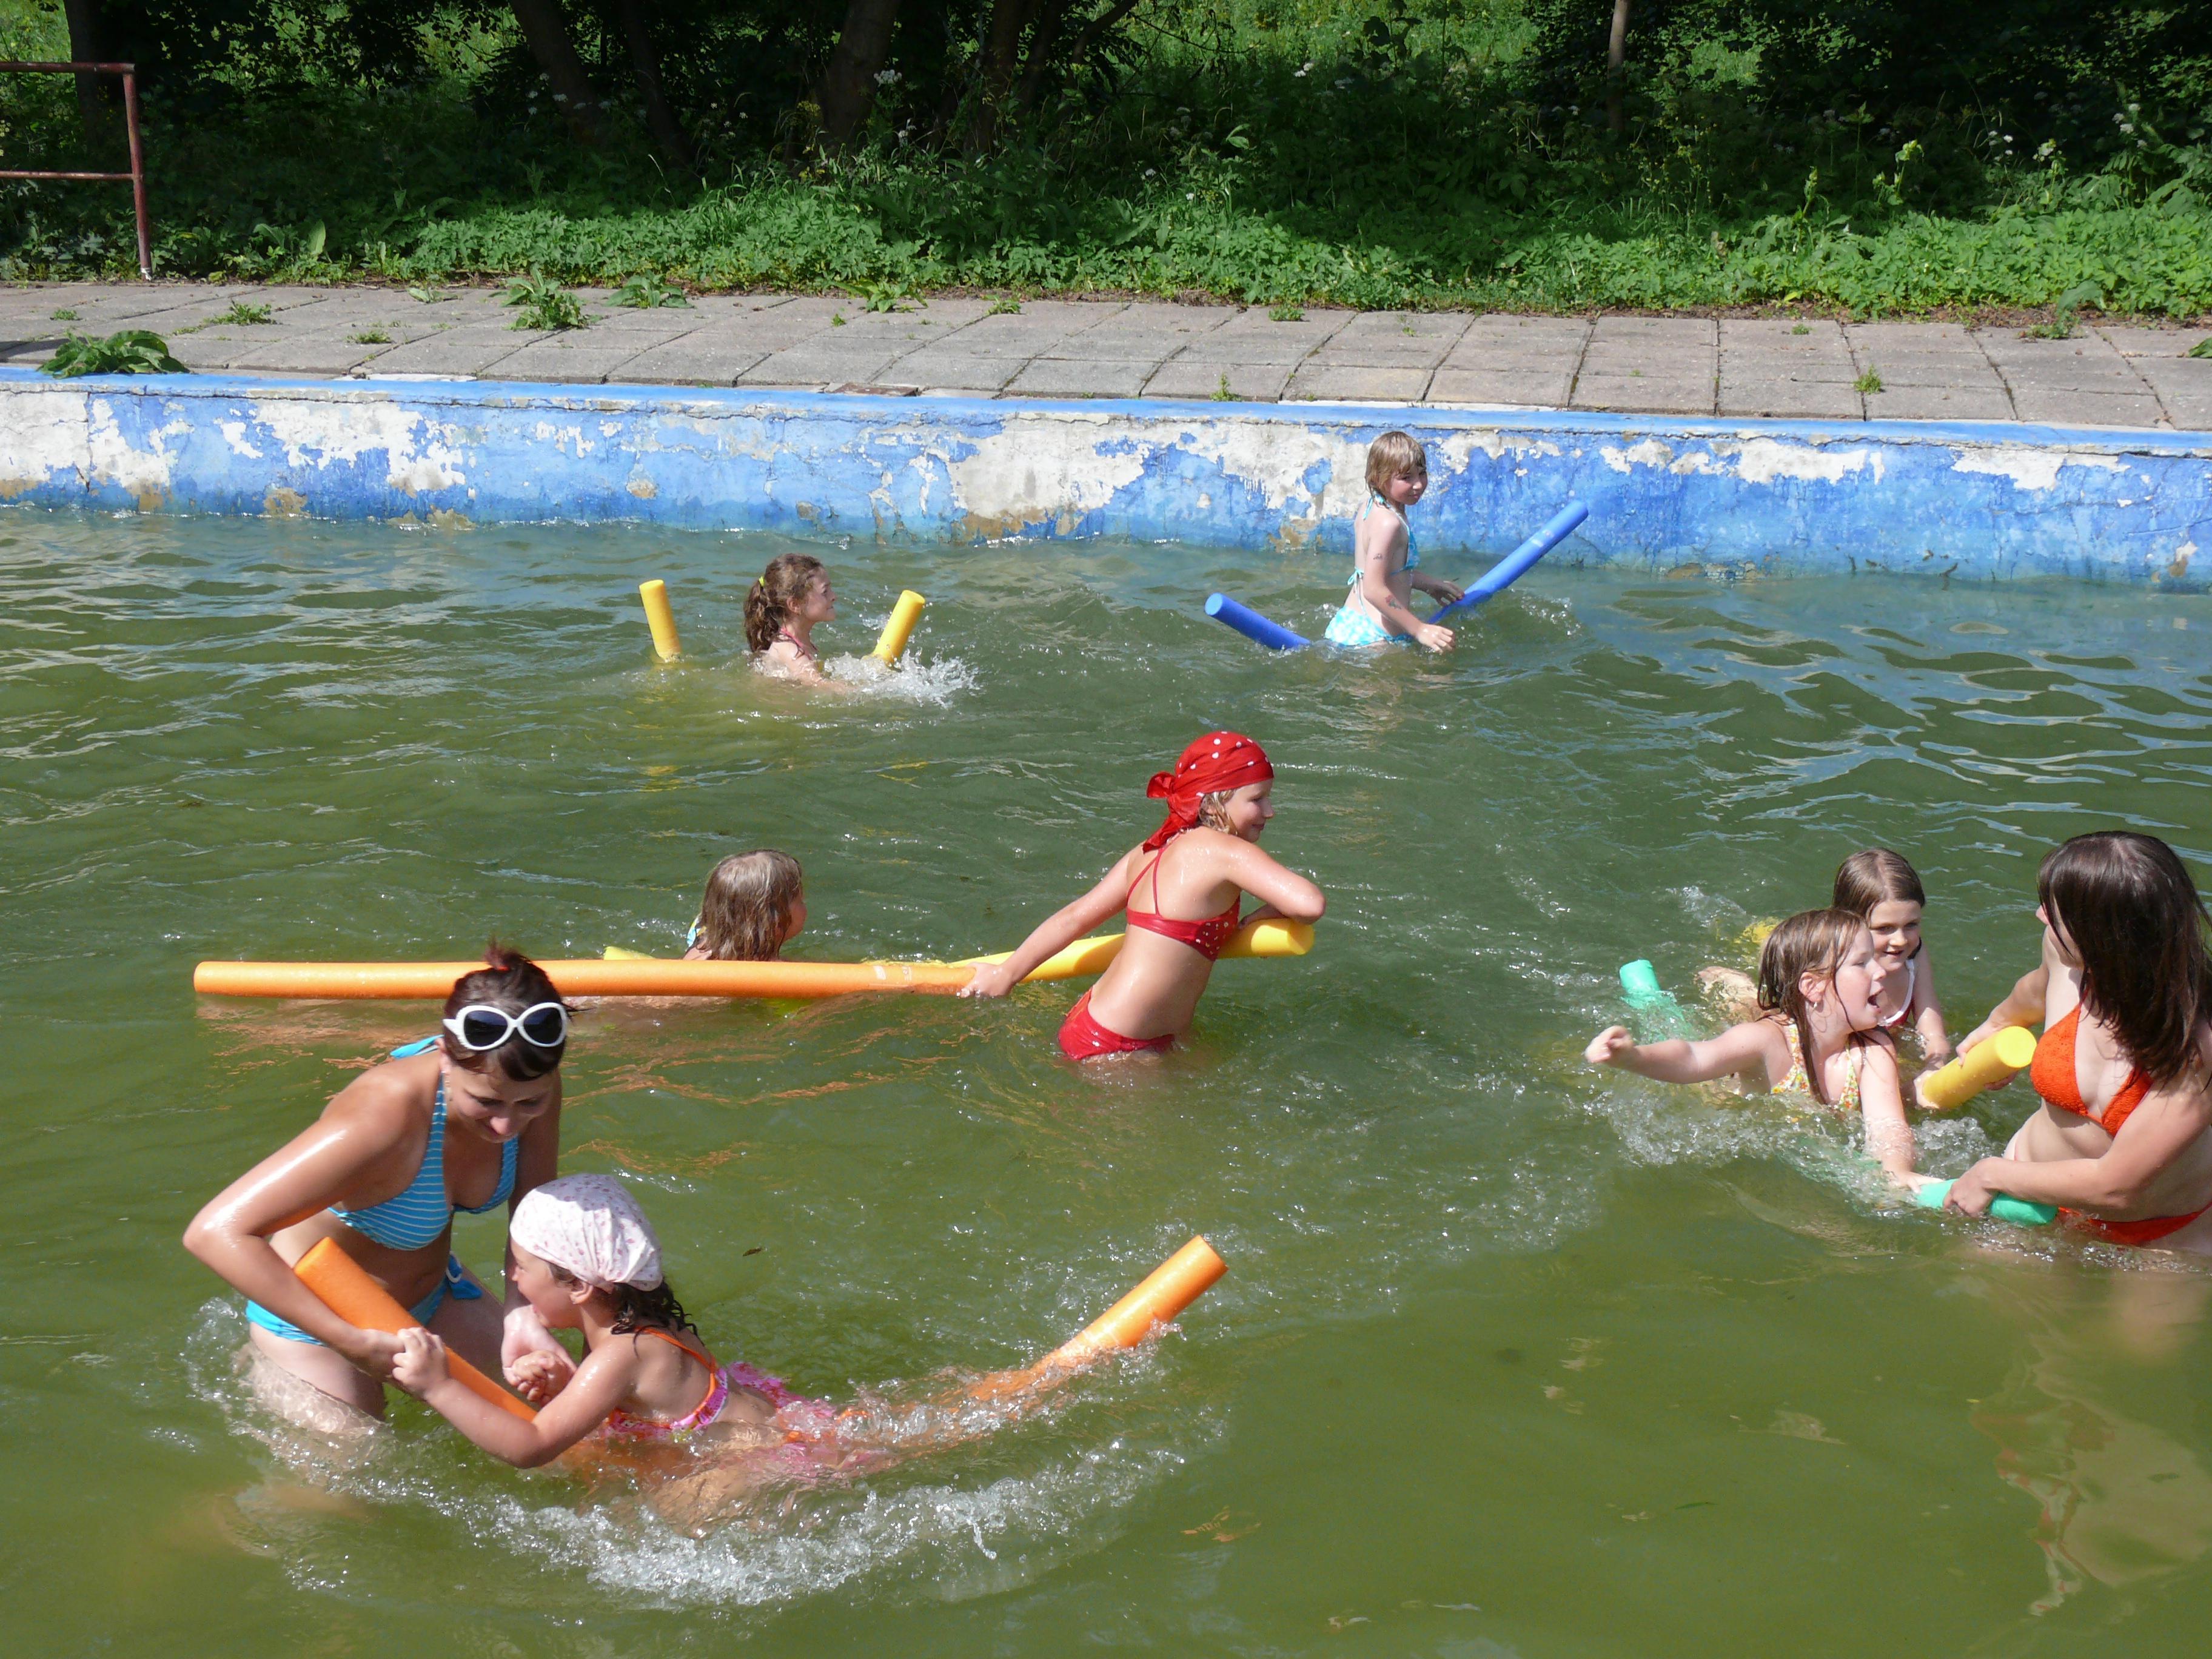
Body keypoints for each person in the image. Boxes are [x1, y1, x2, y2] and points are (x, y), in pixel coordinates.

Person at [183, 948, 573, 1425]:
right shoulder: (383, 1117)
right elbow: (214, 1232)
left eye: (528, 1104)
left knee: (559, 1427)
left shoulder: (531, 1081)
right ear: (445, 1056)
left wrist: (521, 1311)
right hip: (321, 1324)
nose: (507, 1126)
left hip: (435, 1298)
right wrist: (350, 1343)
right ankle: (268, 1363)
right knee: (356, 1469)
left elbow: (532, 1214)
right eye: (486, 1102)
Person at [392, 1175, 831, 1466]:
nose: (512, 1277)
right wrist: (567, 1388)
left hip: (746, 1462)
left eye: (523, 1266)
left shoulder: (620, 1354)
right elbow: (628, 1399)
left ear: (580, 1287)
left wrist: (439, 1386)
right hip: (761, 1424)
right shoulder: (632, 1322)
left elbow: (533, 1447)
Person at [960, 732, 1326, 1059]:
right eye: (1257, 799)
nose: (1270, 812)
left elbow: (1074, 917)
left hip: (1100, 1022)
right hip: (1120, 1045)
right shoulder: (1225, 851)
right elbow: (1310, 904)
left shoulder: (1149, 850)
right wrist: (1262, 915)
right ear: (1215, 802)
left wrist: (1007, 973)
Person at [1940, 831, 2212, 1248]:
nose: (2040, 916)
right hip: (2027, 1197)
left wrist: (1990, 1174)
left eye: (2055, 912)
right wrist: (1997, 1025)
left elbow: (2117, 1187)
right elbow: (2035, 990)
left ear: (2103, 935)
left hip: (2161, 1230)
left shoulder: (2198, 1047)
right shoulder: (2066, 957)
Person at [1586, 908, 1916, 1181]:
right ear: (1813, 987)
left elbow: (1889, 1128)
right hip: (1716, 1088)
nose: (1881, 971)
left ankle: (1740, 992)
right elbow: (1693, 1057)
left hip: (1798, 1022)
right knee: (1673, 1024)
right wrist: (1632, 1057)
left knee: (1752, 1009)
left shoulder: (1874, 1047)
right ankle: (1650, 998)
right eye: (1862, 963)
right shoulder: (1766, 1042)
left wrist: (1897, 1173)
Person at [1321, 431, 1463, 651]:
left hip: (1351, 622)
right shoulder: (1390, 524)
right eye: (1407, 478)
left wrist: (1431, 584)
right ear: (1379, 478)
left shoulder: (1371, 507)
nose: (1418, 484)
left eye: (1422, 473)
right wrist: (1419, 629)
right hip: (1372, 640)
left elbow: (1389, 572)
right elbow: (1373, 588)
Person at [1833, 848, 1952, 1064]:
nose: (1900, 940)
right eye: (1884, 928)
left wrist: (1935, 1063)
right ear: (1847, 924)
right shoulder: (1835, 968)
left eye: (1911, 925)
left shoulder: (1914, 956)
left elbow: (1932, 1029)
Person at [745, 553, 848, 689]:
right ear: (795, 605)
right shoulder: (790, 651)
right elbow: (821, 686)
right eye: (825, 592)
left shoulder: (800, 642)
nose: (834, 596)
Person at [683, 850, 805, 961]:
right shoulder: (780, 972)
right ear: (775, 920)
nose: (804, 902)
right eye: (800, 900)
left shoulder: (697, 956)